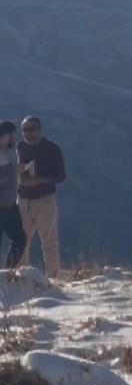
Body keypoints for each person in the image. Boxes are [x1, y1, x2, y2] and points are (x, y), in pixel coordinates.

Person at [15, 115, 66, 276]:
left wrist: (40, 180)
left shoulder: (52, 149)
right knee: (21, 240)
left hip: (45, 200)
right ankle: (22, 276)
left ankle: (53, 277)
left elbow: (61, 176)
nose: (28, 133)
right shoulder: (20, 146)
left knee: (49, 241)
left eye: (32, 129)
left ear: (40, 130)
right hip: (23, 199)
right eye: (25, 129)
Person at [0, 122, 22, 268]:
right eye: (11, 136)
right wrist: (14, 172)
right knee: (19, 238)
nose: (14, 139)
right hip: (2, 207)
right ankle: (6, 273)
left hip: (9, 206)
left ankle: (8, 271)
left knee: (20, 238)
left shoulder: (3, 154)